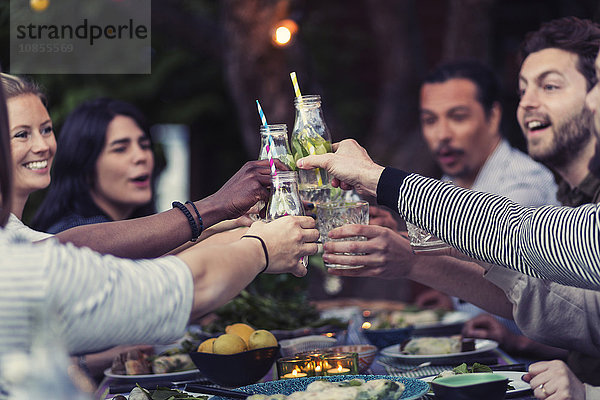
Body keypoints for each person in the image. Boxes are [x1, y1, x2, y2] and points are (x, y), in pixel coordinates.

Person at [0, 73, 320, 365]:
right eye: (21, 135)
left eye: (46, 130)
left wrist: (238, 226)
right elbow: (174, 284)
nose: (42, 146)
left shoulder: (21, 240)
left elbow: (159, 270)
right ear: (84, 162)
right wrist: (253, 240)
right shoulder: (32, 256)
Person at [31, 98, 158, 233]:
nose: (141, 157)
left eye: (144, 146)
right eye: (121, 149)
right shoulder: (76, 236)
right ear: (85, 165)